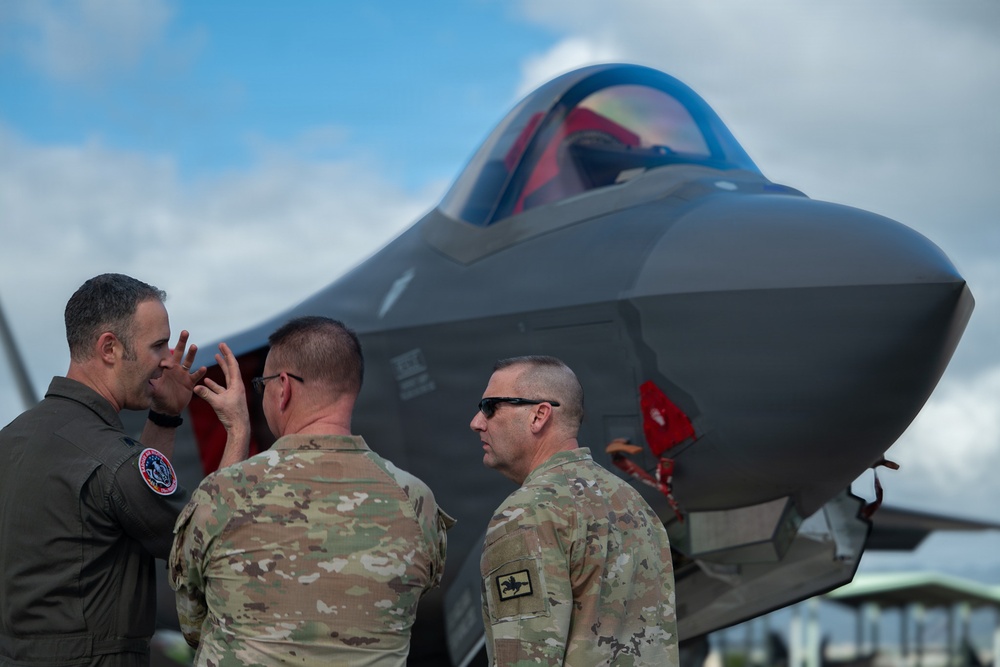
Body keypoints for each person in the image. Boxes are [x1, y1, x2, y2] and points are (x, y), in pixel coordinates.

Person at [169, 315, 454, 666]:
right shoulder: (416, 500)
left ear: (283, 388)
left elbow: (195, 622)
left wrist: (237, 435)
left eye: (262, 385)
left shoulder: (225, 492)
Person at [0, 273, 249, 667]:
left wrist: (165, 416)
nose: (168, 359)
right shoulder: (113, 459)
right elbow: (213, 547)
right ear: (109, 348)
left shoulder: (10, 439)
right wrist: (237, 430)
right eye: (158, 345)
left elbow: (129, 498)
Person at [470, 355, 679, 666]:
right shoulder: (632, 502)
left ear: (539, 416)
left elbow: (526, 659)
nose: (476, 422)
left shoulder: (527, 514)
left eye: (490, 407)